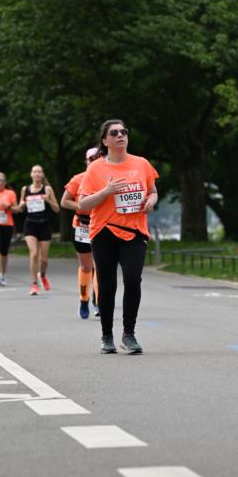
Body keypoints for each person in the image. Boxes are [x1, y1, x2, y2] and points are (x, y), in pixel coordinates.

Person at [78, 119, 158, 354]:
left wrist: (151, 201)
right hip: (104, 232)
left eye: (124, 131)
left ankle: (129, 334)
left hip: (134, 231)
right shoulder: (95, 169)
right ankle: (106, 335)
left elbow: (152, 191)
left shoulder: (141, 164)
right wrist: (106, 191)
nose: (120, 135)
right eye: (114, 133)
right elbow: (83, 204)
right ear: (105, 140)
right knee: (107, 283)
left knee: (133, 279)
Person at [61, 147, 101, 318]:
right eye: (91, 159)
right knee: (86, 266)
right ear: (86, 161)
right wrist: (81, 205)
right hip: (81, 226)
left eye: (98, 158)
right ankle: (84, 299)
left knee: (100, 266)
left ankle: (99, 303)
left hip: (101, 225)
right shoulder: (78, 179)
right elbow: (64, 202)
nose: (94, 161)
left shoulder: (106, 179)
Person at [19, 165, 59, 295]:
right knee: (34, 254)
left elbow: (57, 209)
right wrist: (22, 204)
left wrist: (48, 200)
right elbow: (20, 207)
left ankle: (42, 275)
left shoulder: (47, 189)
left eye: (39, 172)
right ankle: (34, 284)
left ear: (42, 175)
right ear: (31, 174)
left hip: (44, 225)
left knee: (44, 260)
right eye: (34, 172)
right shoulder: (25, 189)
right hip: (30, 225)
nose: (37, 174)